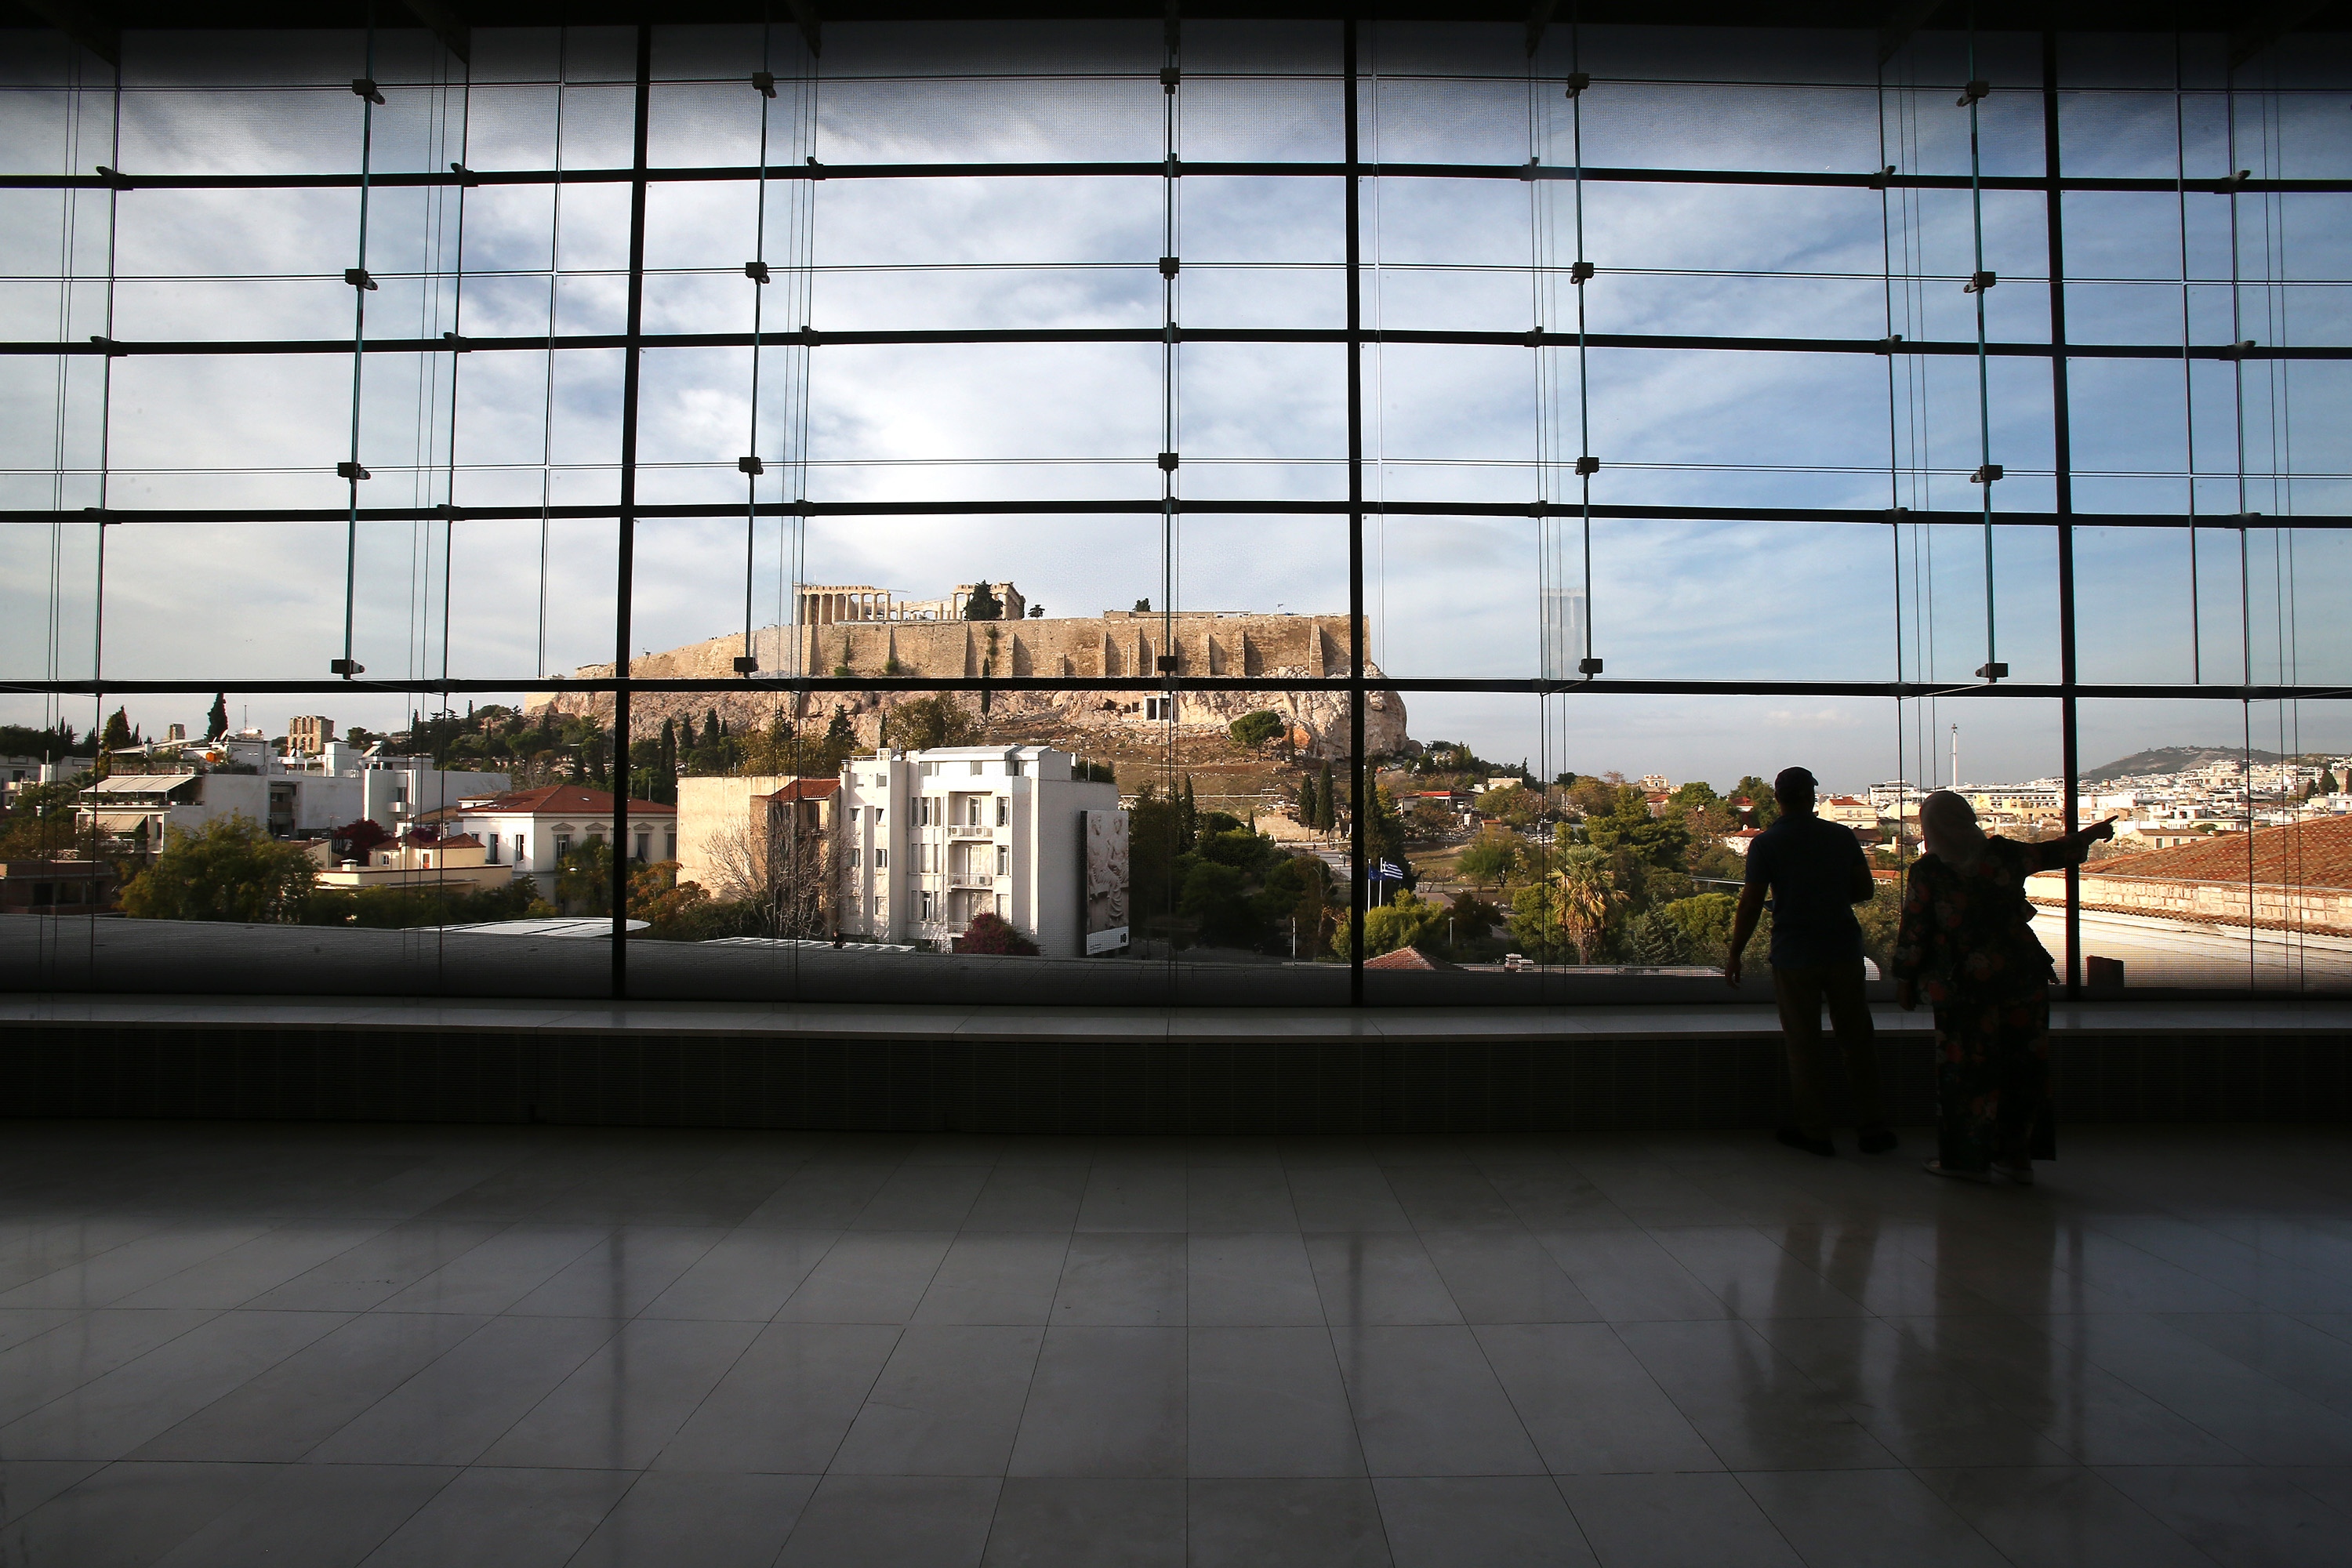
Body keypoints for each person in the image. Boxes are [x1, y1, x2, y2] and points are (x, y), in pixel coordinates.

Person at [1892, 790, 2114, 1184]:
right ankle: (2017, 1158)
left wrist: (1904, 977)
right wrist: (2090, 835)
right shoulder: (2003, 855)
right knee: (2022, 1064)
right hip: (2020, 971)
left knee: (1965, 1068)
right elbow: (2053, 852)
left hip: (1963, 981)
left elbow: (1915, 929)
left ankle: (1965, 1159)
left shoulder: (1931, 871)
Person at [1725, 766, 1893, 1157]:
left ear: (1778, 799)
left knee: (1803, 1045)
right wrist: (1827, 897)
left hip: (1795, 951)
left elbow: (1751, 903)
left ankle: (1816, 1132)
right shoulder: (1840, 837)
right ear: (1812, 797)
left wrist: (1735, 953)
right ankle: (1872, 1129)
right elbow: (1864, 889)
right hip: (1843, 947)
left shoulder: (1767, 844)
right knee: (1857, 1041)